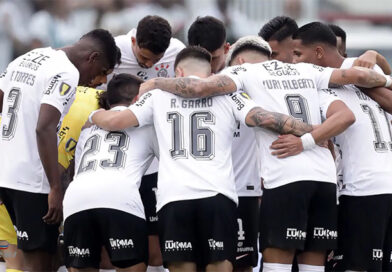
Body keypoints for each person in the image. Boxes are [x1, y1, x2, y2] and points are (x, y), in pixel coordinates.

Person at [137, 40, 392, 272]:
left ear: (238, 62)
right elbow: (359, 77)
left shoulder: (244, 73)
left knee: (276, 266)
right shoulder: (307, 70)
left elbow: (198, 87)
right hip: (324, 180)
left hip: (285, 177)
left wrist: (156, 83)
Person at [89, 46, 321, 272]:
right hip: (217, 196)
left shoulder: (157, 96)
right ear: (210, 75)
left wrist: (93, 114)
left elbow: (115, 123)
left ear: (177, 73)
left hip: (174, 198)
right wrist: (313, 131)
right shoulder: (229, 95)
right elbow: (265, 118)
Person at [0, 29, 119, 271]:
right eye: (102, 71)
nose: (100, 81)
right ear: (92, 58)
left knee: (29, 259)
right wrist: (55, 187)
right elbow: (44, 127)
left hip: (7, 175)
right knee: (39, 264)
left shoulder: (29, 57)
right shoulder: (66, 72)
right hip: (33, 182)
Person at [290, 21, 392, 272]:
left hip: (361, 188)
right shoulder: (363, 71)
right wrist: (375, 57)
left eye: (298, 54)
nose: (294, 62)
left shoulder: (323, 83)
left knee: (355, 266)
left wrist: (303, 142)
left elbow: (346, 117)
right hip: (385, 184)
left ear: (319, 53)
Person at [109, 15, 185, 271]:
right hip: (119, 160)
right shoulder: (113, 49)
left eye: (156, 60)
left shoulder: (177, 52)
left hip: (156, 161)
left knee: (156, 252)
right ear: (133, 41)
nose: (149, 64)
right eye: (143, 59)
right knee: (114, 252)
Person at [63, 73, 158, 272]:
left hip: (76, 199)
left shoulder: (89, 129)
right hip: (120, 198)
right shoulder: (148, 127)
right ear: (139, 100)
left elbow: (77, 169)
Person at [224, 37, 265, 272]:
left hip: (247, 191)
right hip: (215, 191)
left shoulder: (261, 94)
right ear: (240, 63)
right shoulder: (211, 89)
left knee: (244, 265)